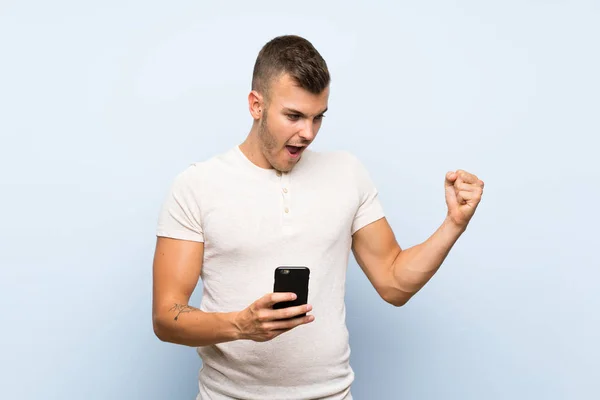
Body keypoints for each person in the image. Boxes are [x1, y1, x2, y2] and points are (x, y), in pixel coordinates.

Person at [151, 34, 484, 400]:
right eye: (293, 116)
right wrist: (240, 325)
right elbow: (167, 317)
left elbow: (394, 283)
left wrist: (454, 224)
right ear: (255, 104)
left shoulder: (347, 173)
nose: (307, 133)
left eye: (317, 118)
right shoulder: (197, 185)